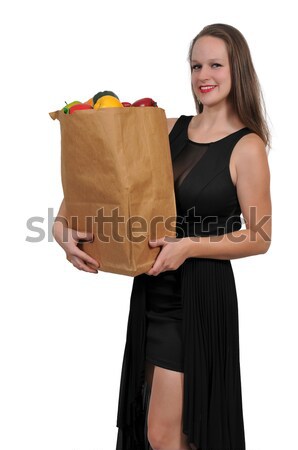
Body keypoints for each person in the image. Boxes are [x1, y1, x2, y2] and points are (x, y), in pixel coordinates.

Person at [52, 23, 272, 450]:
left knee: (164, 433)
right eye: (195, 66)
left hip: (199, 299)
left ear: (237, 69)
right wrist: (62, 233)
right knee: (157, 430)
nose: (203, 75)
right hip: (151, 290)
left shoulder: (248, 147)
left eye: (214, 64)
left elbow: (260, 236)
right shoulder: (164, 128)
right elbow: (97, 185)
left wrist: (188, 246)